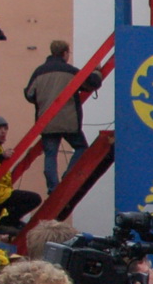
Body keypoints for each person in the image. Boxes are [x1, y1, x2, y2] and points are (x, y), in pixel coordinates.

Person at [23, 40, 103, 194]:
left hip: (46, 122)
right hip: (69, 122)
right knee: (81, 148)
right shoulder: (69, 71)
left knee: (50, 155)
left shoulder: (39, 72)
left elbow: (29, 94)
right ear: (65, 53)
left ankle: (53, 187)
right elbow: (92, 83)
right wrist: (97, 71)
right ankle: (67, 178)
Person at [0, 114, 43, 232]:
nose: (3, 132)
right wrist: (1, 157)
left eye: (5, 129)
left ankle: (6, 224)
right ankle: (8, 221)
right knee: (34, 199)